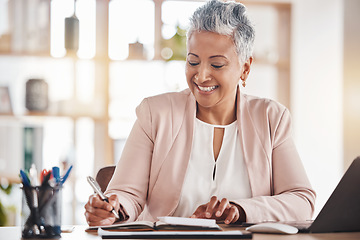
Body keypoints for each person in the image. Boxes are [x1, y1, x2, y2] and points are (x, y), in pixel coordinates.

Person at [84, 0, 316, 226]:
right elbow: (126, 195)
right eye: (193, 61)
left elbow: (301, 200)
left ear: (244, 69)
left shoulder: (270, 118)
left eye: (216, 65)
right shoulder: (155, 114)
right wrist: (113, 210)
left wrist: (240, 209)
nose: (201, 76)